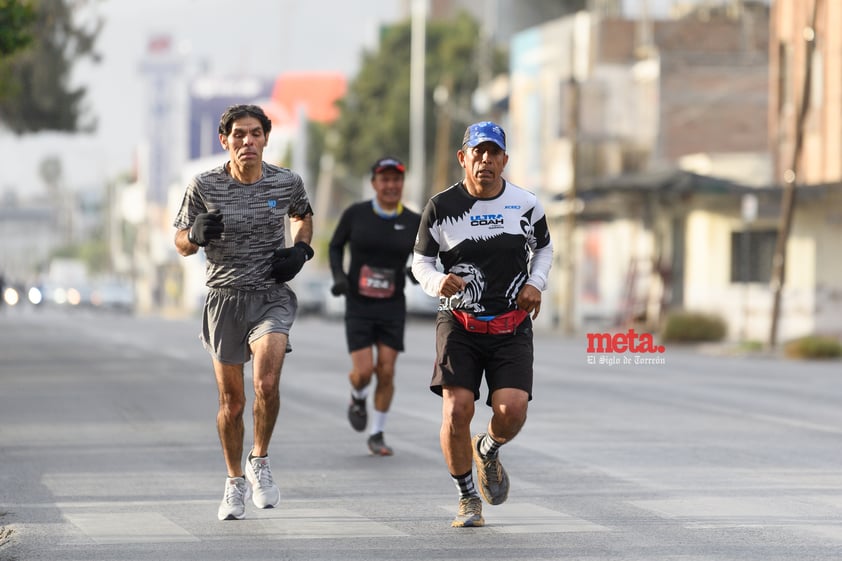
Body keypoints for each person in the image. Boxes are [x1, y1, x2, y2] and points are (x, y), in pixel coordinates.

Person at [173, 104, 315, 521]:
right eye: (239, 134)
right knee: (232, 403)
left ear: (266, 139)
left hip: (271, 294)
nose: (247, 141)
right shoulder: (205, 185)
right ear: (225, 141)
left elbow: (303, 215)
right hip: (224, 299)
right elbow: (179, 239)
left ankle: (260, 458)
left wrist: (301, 249)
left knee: (266, 384)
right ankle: (234, 481)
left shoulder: (286, 181)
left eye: (255, 134)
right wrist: (193, 236)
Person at [411, 121, 553, 527]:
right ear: (463, 157)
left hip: (511, 324)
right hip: (459, 322)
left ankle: (487, 449)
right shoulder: (441, 207)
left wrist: (535, 283)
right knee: (457, 410)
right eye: (478, 153)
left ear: (505, 160)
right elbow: (420, 261)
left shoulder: (526, 204)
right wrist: (438, 281)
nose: (486, 161)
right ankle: (467, 497)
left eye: (494, 154)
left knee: (513, 410)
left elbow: (543, 249)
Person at [328, 157, 421, 456]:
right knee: (365, 371)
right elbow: (334, 246)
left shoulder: (413, 221)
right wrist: (340, 277)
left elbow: (428, 255)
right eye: (385, 180)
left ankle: (377, 433)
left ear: (402, 184)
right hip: (359, 303)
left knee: (387, 370)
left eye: (396, 180)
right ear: (374, 184)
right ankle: (357, 395)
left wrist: (415, 272)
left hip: (392, 305)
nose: (391, 185)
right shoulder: (356, 214)